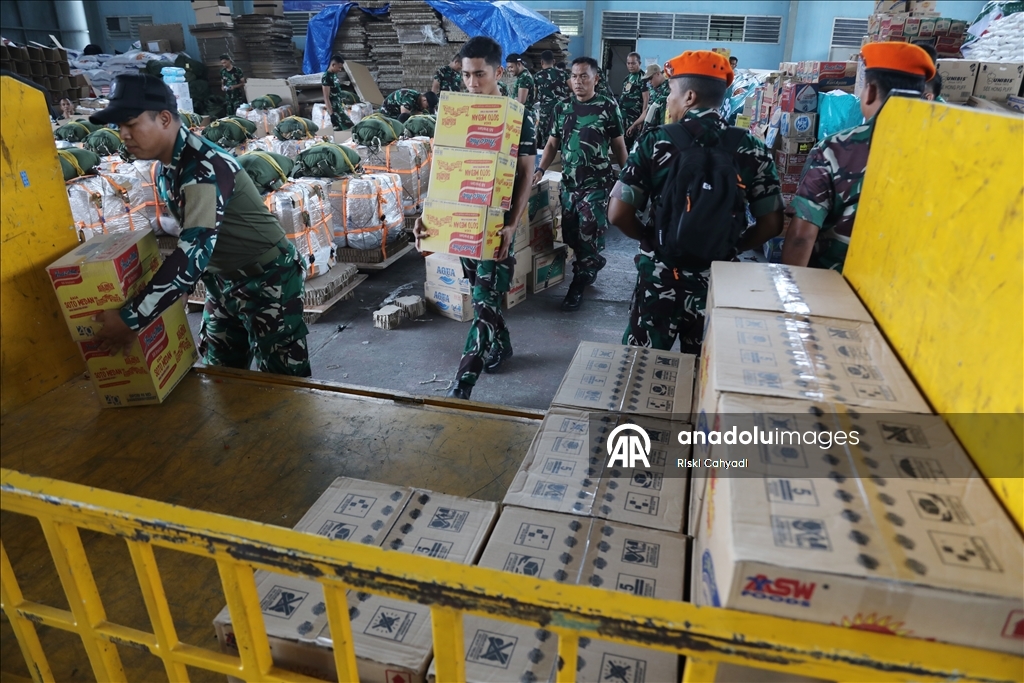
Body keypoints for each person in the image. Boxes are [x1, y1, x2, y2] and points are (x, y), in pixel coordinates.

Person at [89, 74, 311, 377]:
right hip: (221, 283)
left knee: (287, 382)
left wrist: (132, 317)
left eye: (131, 124)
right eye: (119, 127)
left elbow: (192, 252)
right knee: (221, 375)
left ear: (165, 119)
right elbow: (193, 241)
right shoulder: (165, 167)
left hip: (268, 280)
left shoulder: (204, 168)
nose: (123, 134)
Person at [609, 50, 784, 354]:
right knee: (704, 377)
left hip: (661, 277)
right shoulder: (751, 147)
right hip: (716, 281)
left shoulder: (657, 140)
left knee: (641, 372)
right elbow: (772, 223)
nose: (667, 100)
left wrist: (652, 238)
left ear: (689, 96)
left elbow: (617, 213)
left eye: (672, 92)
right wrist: (731, 245)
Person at [414, 36, 536, 401]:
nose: (471, 83)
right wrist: (425, 213)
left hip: (497, 225)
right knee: (482, 293)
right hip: (461, 221)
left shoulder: (517, 117)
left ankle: (462, 383)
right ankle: (504, 345)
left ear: (499, 72)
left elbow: (527, 174)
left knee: (483, 300)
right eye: (466, 75)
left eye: (479, 75)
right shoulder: (457, 113)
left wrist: (513, 224)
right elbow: (444, 170)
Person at [782, 42, 933, 272]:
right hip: (913, 294)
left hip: (837, 288)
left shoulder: (835, 149)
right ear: (924, 96)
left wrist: (790, 296)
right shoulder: (946, 150)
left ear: (870, 92)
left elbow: (802, 236)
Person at [534, 56, 628, 312]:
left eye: (584, 76)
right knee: (570, 233)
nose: (578, 81)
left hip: (596, 185)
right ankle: (592, 259)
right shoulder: (562, 107)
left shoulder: (608, 106)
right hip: (569, 183)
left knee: (588, 232)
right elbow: (553, 143)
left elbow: (619, 145)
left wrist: (628, 177)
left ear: (596, 78)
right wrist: (540, 168)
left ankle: (579, 282)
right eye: (574, 76)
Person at [534, 50, 570, 150]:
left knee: (546, 138)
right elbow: (573, 88)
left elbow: (534, 95)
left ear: (541, 62)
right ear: (554, 61)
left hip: (545, 112)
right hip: (561, 110)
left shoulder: (537, 76)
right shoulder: (563, 74)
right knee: (562, 135)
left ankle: (548, 161)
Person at [620, 52, 650, 149]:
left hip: (635, 119)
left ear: (639, 63)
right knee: (624, 146)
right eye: (628, 63)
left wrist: (641, 120)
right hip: (624, 118)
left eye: (633, 63)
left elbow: (646, 99)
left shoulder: (643, 78)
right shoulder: (627, 79)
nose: (630, 66)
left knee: (634, 147)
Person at [321, 54, 354, 131]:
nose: (340, 70)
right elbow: (326, 97)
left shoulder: (334, 75)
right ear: (333, 65)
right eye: (339, 67)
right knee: (350, 127)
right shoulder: (326, 77)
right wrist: (332, 114)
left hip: (339, 107)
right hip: (334, 110)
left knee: (340, 130)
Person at [639, 63, 668, 137]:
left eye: (650, 78)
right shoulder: (652, 90)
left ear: (658, 74)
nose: (649, 82)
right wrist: (635, 124)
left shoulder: (669, 88)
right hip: (650, 130)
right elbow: (648, 110)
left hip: (662, 130)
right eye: (647, 80)